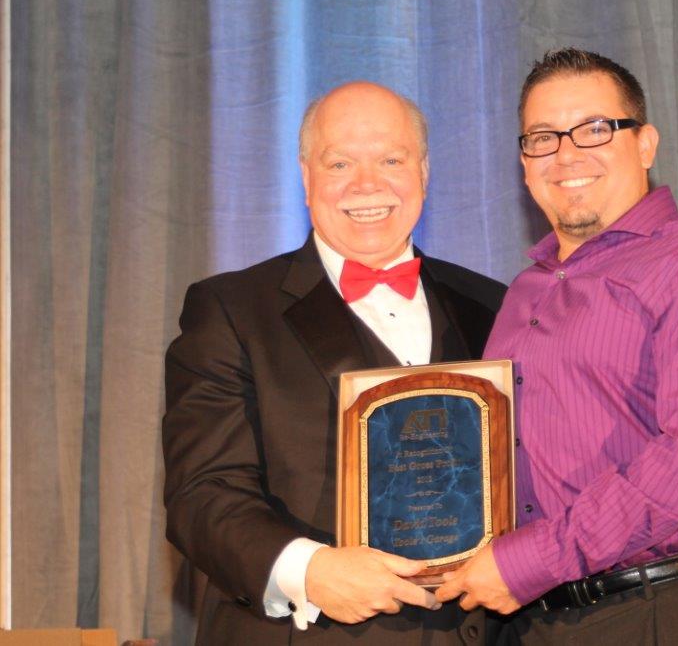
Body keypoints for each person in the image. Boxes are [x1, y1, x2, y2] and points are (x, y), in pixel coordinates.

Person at [436, 48, 678, 644]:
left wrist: (532, 561)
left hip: (667, 611)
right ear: (524, 163)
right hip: (536, 620)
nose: (566, 154)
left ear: (645, 144)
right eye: (543, 137)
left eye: (595, 128)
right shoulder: (523, 294)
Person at [163, 81, 507, 645]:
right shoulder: (230, 309)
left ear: (423, 171)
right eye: (340, 162)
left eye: (391, 160)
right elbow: (202, 495)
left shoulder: (493, 303)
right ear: (306, 178)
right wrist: (310, 571)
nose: (367, 184)